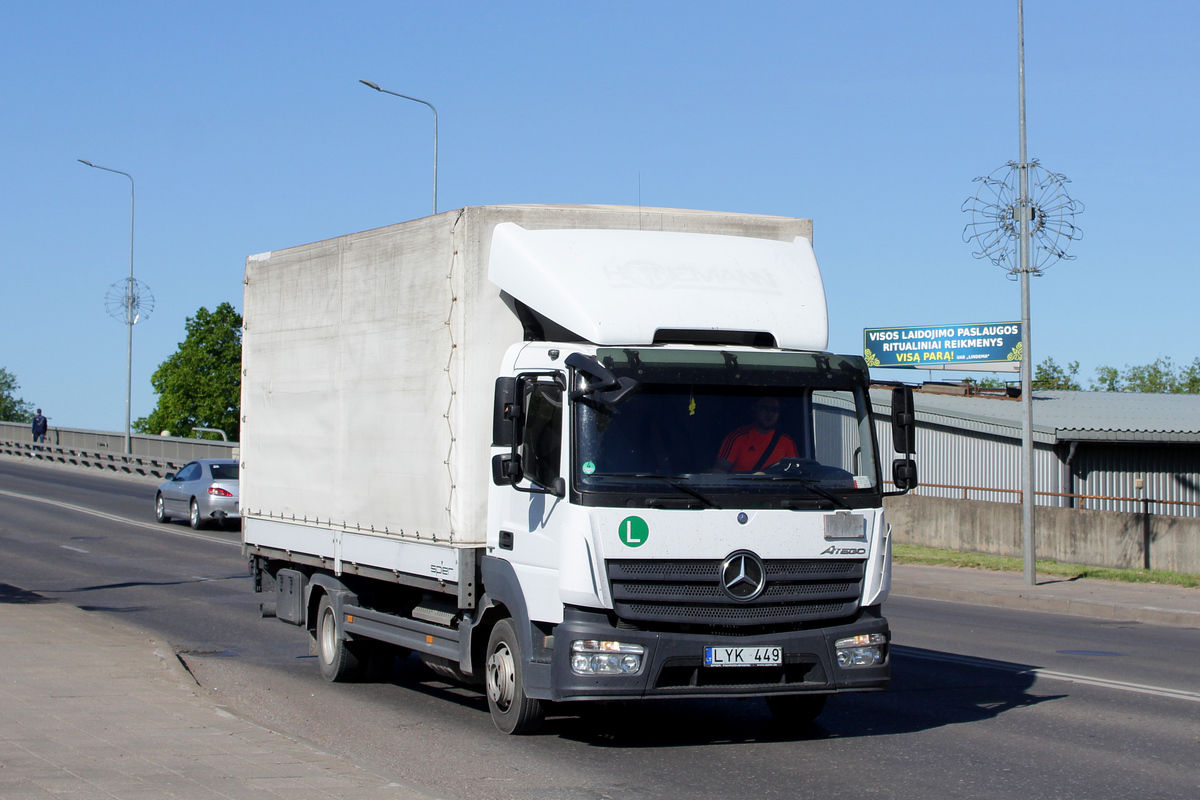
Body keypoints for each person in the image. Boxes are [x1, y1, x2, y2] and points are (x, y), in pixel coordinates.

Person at [713, 397, 797, 473]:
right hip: (742, 489)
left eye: (774, 410)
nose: (770, 414)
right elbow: (719, 472)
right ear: (754, 408)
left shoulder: (786, 441)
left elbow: (796, 472)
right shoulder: (737, 437)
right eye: (764, 409)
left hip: (776, 489)